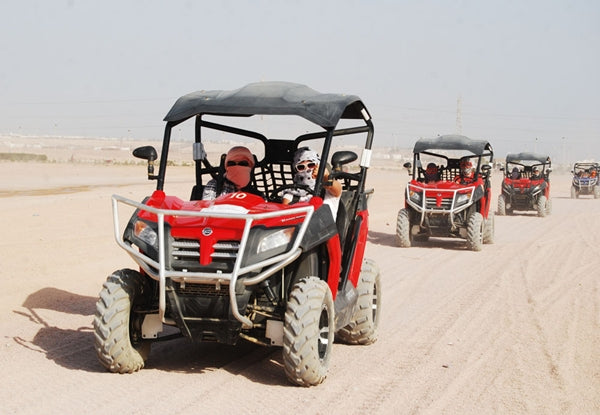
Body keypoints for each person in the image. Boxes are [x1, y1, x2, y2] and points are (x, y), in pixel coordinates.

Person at [282, 146, 342, 217]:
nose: (307, 169)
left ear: (317, 166)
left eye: (311, 165)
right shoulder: (290, 194)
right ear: (296, 170)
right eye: (301, 167)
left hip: (325, 227)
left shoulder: (327, 191)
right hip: (299, 227)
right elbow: (286, 217)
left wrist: (325, 176)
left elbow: (337, 189)